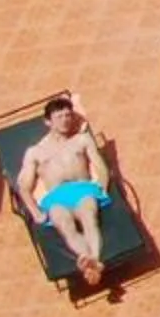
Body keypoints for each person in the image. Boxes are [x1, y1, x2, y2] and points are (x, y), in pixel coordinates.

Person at [15, 96, 111, 287]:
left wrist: (104, 188)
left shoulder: (82, 140)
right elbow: (24, 187)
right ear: (48, 122)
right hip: (56, 197)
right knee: (63, 222)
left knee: (88, 217)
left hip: (83, 189)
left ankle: (91, 259)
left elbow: (101, 168)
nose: (65, 119)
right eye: (59, 117)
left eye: (68, 115)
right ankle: (92, 261)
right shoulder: (35, 152)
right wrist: (35, 212)